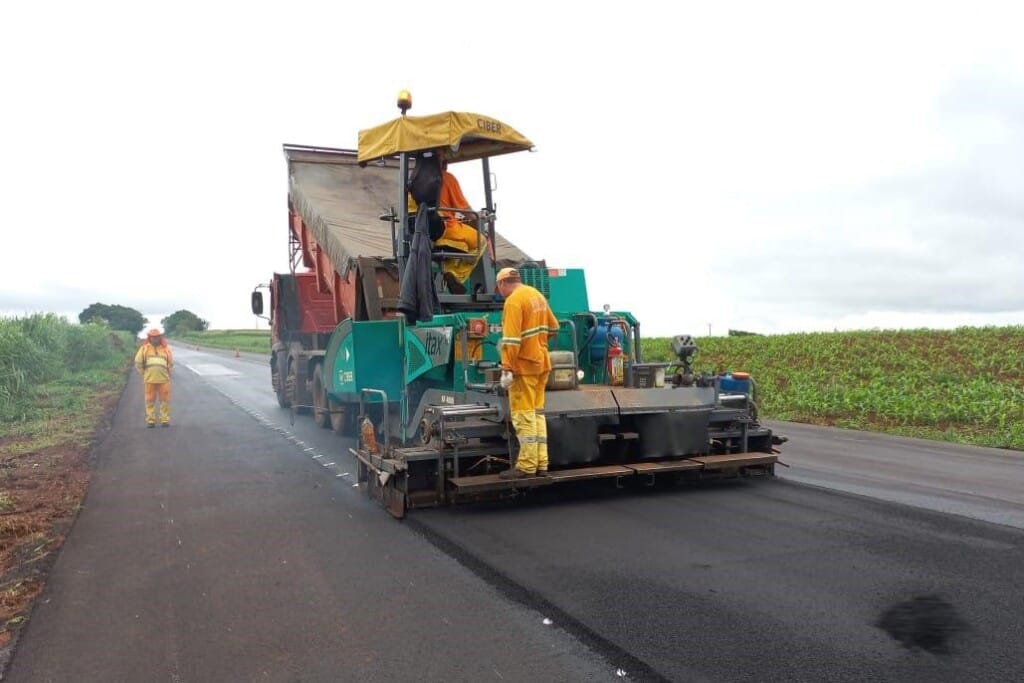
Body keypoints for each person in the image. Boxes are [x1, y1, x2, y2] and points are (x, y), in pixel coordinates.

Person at [495, 267, 559, 479]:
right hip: (542, 364)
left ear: (503, 283)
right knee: (536, 414)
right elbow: (554, 327)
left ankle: (526, 466)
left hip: (524, 367)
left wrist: (507, 368)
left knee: (523, 415)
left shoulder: (513, 301)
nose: (499, 290)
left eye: (499, 286)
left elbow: (511, 341)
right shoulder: (536, 295)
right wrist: (537, 345)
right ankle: (542, 463)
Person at [134, 328, 174, 427]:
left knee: (165, 401)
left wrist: (168, 374)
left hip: (164, 380)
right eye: (153, 337)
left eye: (157, 337)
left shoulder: (166, 349)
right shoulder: (144, 349)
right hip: (149, 380)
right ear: (150, 338)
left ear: (160, 337)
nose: (155, 339)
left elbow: (171, 363)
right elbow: (138, 363)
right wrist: (144, 374)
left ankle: (165, 420)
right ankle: (150, 421)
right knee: (149, 400)